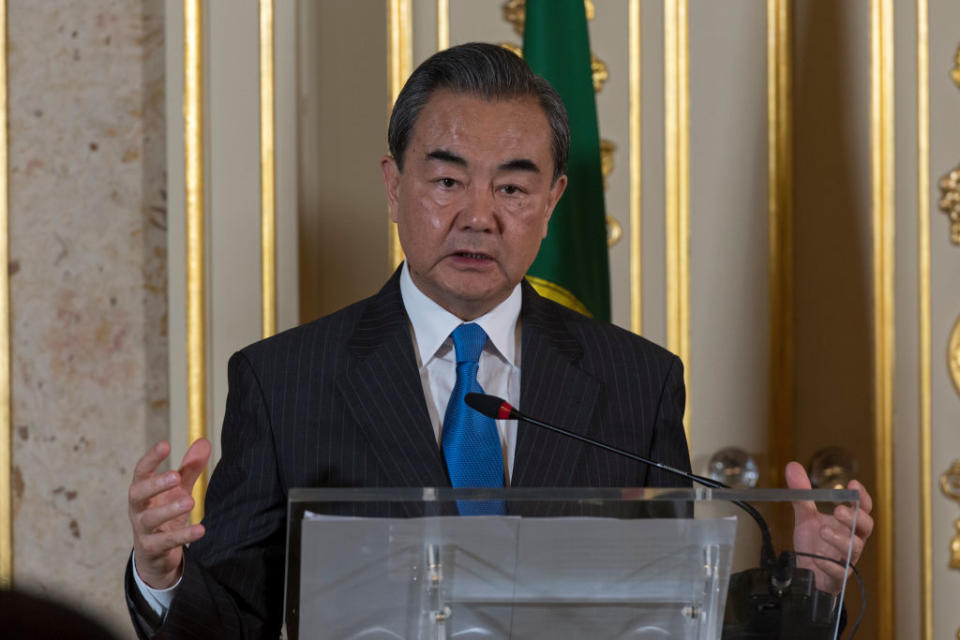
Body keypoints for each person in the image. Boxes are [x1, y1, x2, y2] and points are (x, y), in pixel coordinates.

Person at [125, 43, 873, 639]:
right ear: (394, 186)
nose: (479, 216)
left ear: (551, 203)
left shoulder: (634, 381)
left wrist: (803, 579)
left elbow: (669, 607)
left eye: (513, 188)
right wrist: (163, 576)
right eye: (448, 182)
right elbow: (228, 623)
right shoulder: (285, 381)